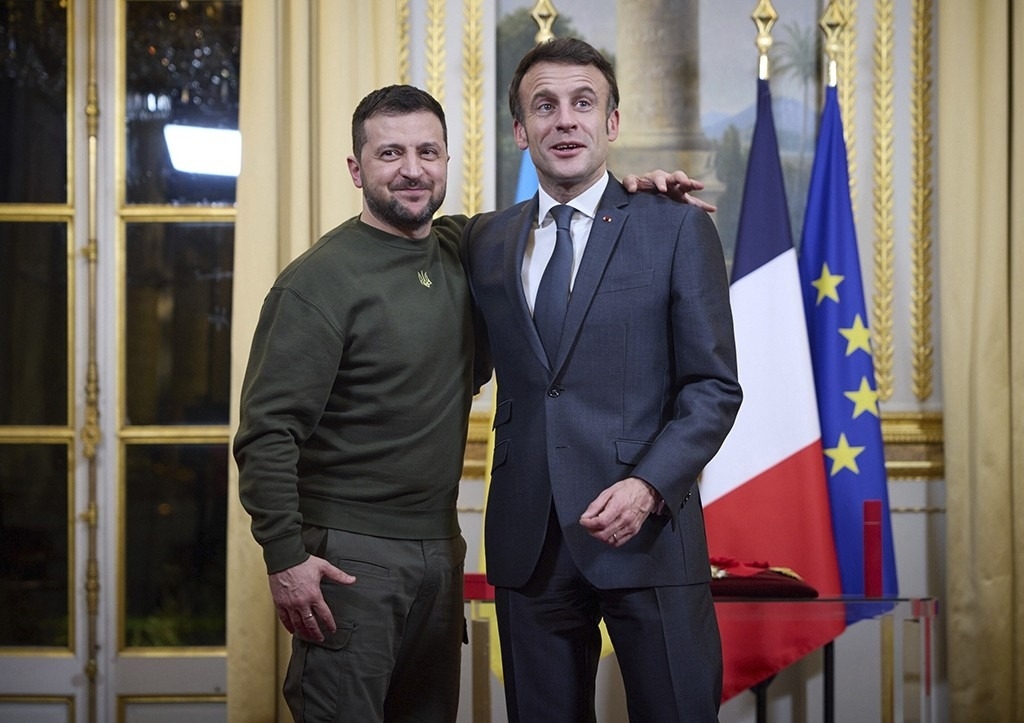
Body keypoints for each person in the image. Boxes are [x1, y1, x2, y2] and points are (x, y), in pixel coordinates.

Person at [234, 83, 711, 722]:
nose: (412, 170)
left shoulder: (469, 247)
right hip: (350, 554)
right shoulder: (316, 282)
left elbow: (574, 209)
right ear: (356, 168)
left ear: (446, 162)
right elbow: (266, 434)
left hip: (438, 548)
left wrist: (636, 192)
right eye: (390, 153)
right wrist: (284, 557)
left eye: (427, 152)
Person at [461, 38, 743, 722]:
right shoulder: (483, 242)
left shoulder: (675, 228)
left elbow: (713, 388)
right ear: (519, 129)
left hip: (650, 536)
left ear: (611, 122)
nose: (565, 120)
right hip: (530, 545)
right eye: (545, 106)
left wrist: (648, 486)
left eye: (583, 103)